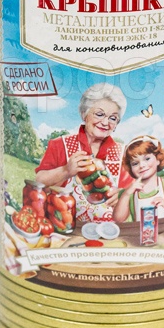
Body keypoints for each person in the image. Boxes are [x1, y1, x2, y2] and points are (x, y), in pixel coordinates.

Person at [35, 83, 133, 223]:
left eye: (113, 118)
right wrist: (66, 170)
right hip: (65, 227)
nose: (105, 122)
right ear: (84, 114)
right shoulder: (59, 145)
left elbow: (130, 206)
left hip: (108, 231)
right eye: (99, 114)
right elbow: (39, 181)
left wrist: (123, 198)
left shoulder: (123, 154)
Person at [113, 135, 164, 223]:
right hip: (140, 231)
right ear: (130, 168)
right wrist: (126, 194)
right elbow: (118, 219)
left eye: (147, 159)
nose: (142, 165)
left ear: (157, 159)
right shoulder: (131, 192)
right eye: (135, 163)